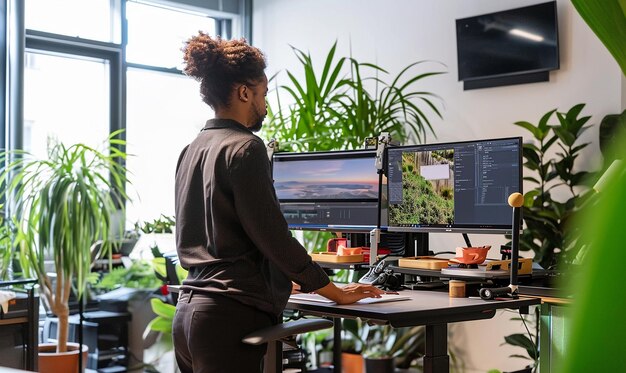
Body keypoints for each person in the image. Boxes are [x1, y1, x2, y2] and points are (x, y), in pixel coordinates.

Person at [173, 32, 384, 373]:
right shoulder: (246, 147)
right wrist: (336, 293)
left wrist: (282, 278)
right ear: (244, 92)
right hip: (229, 317)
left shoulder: (193, 148)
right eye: (264, 94)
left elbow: (219, 234)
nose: (266, 105)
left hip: (189, 316)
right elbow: (272, 235)